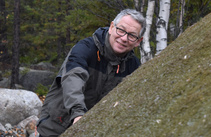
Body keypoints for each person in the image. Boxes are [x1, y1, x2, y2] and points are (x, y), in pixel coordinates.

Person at [36, 9, 146, 137]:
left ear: (138, 41)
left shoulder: (134, 66)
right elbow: (73, 79)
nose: (124, 38)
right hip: (56, 127)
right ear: (111, 27)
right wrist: (78, 114)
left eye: (132, 35)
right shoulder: (85, 49)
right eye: (121, 30)